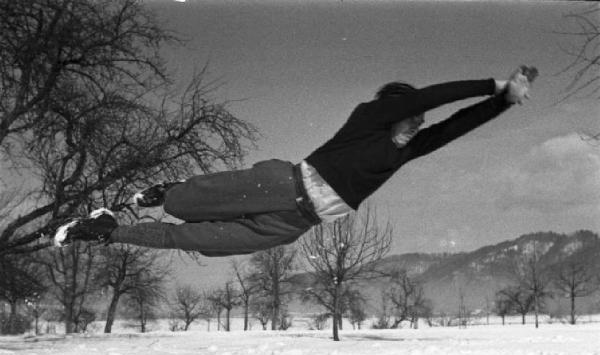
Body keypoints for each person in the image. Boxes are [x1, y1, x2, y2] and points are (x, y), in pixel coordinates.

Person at [53, 66, 538, 257]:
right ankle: (167, 192)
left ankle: (105, 230)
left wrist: (504, 104)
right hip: (283, 186)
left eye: (419, 120)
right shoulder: (370, 118)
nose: (416, 124)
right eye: (411, 116)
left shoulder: (406, 149)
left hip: (293, 224)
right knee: (186, 204)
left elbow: (453, 127)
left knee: (197, 239)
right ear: (393, 111)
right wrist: (493, 84)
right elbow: (435, 94)